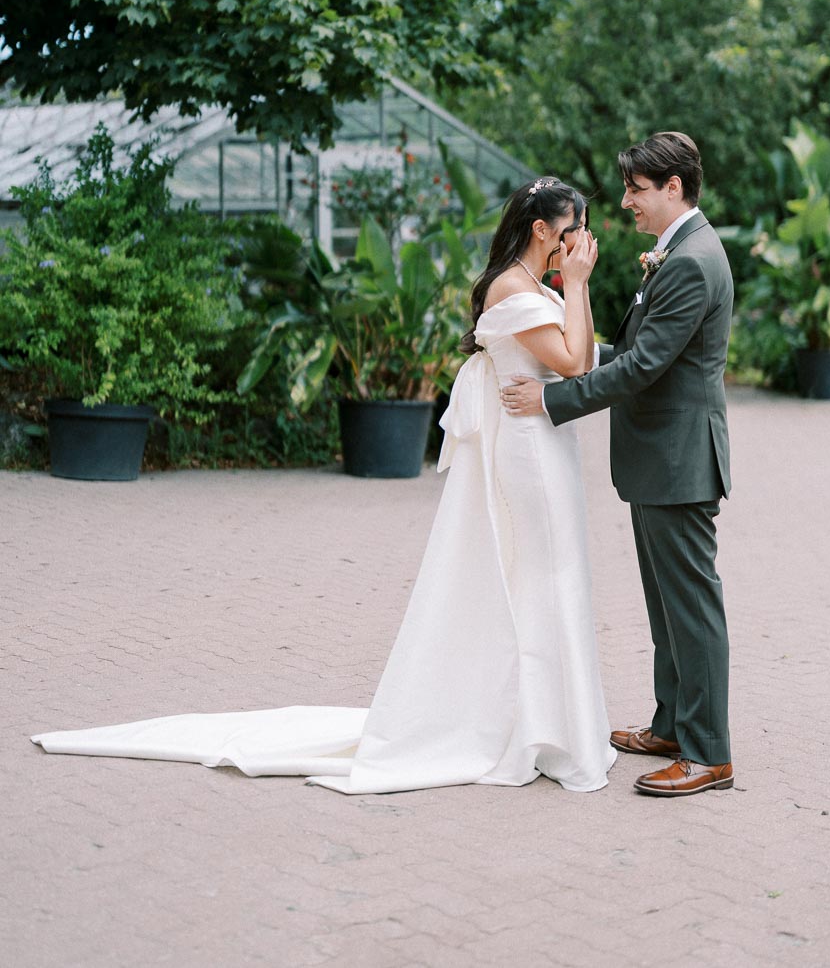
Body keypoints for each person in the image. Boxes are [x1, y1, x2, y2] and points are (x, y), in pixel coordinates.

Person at [33, 178, 618, 795]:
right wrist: (578, 285)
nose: (583, 239)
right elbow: (577, 363)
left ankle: (550, 723)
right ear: (543, 231)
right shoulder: (510, 287)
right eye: (575, 227)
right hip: (528, 454)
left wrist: (570, 292)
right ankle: (541, 729)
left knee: (550, 578)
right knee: (545, 576)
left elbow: (578, 355)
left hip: (545, 443)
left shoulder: (533, 286)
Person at [501, 132, 734, 797]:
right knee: (667, 608)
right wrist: (564, 351)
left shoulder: (691, 261)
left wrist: (553, 400)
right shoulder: (678, 251)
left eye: (635, 189)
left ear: (673, 189)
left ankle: (709, 753)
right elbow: (630, 348)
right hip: (658, 459)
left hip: (680, 459)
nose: (626, 201)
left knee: (693, 609)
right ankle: (671, 724)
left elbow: (642, 367)